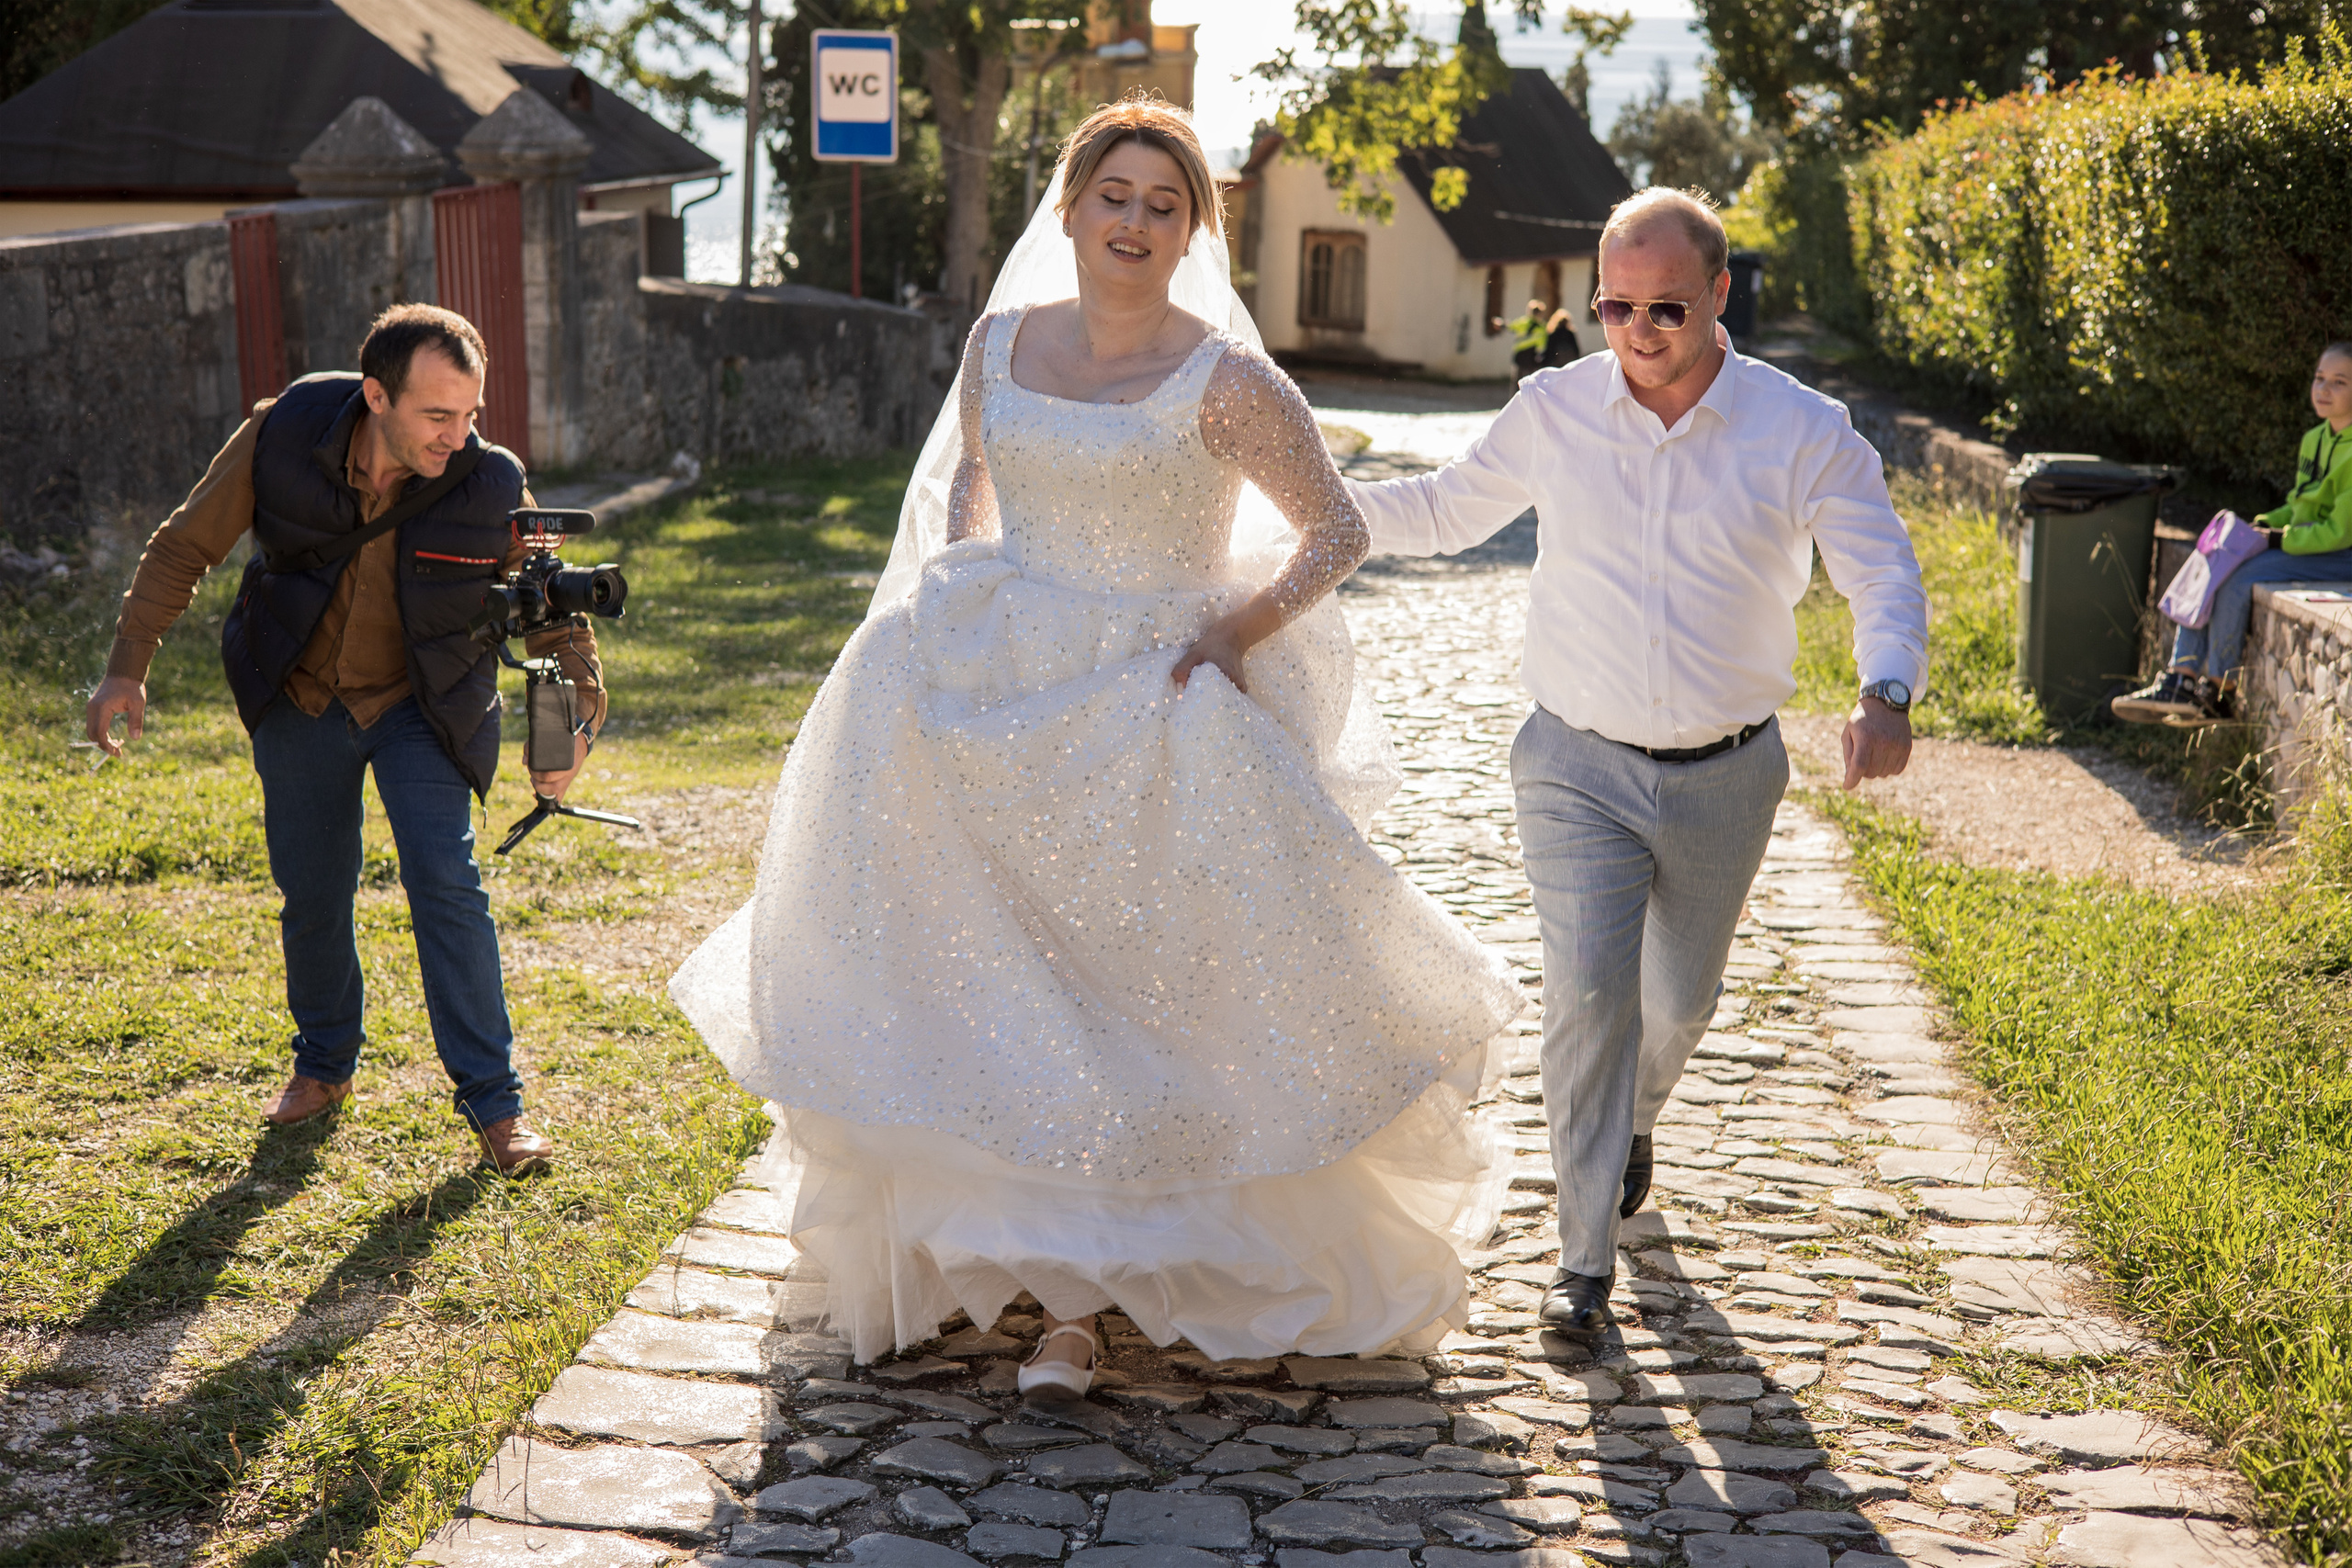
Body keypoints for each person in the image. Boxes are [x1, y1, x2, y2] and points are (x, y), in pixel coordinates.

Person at [669, 96, 1522, 1398]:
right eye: (1113, 196)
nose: (1134, 220)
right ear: (1067, 209)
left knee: (1145, 1004)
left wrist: (1232, 632)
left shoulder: (1228, 379)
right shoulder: (1001, 343)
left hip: (1154, 708)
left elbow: (1336, 531)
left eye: (1163, 204)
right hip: (993, 690)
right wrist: (955, 584)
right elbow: (973, 485)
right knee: (994, 987)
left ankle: (1111, 1293)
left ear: (1193, 230)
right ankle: (1030, 1274)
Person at [1346, 187, 1928, 1338]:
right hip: (1574, 760)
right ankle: (1581, 1268)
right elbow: (1444, 510)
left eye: (1666, 307)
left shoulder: (1799, 427)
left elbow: (1880, 565)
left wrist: (1886, 690)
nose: (1638, 331)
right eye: (1615, 306)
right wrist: (1304, 506)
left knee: (1677, 1001)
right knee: (1589, 999)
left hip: (1728, 770)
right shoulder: (1553, 409)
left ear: (1719, 295)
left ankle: (1636, 1117)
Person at [82, 304, 603, 1175]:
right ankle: (323, 1064)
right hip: (299, 690)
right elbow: (182, 549)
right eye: (438, 415)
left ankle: (497, 1106)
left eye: (470, 413)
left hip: (423, 703)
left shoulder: (489, 480)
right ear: (375, 396)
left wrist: (560, 731)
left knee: (447, 881)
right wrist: (127, 667)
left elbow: (550, 619)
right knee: (314, 890)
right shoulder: (282, 433)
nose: (458, 435)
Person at [2114, 342, 2352, 725]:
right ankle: (2181, 677)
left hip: (2340, 554)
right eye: (2319, 378)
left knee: (2239, 577)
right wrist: (2257, 524)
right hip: (2305, 542)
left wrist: (2276, 538)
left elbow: (2339, 533)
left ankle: (2218, 692)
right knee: (2217, 552)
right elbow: (2299, 505)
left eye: (2339, 382)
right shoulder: (2315, 439)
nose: (2324, 389)